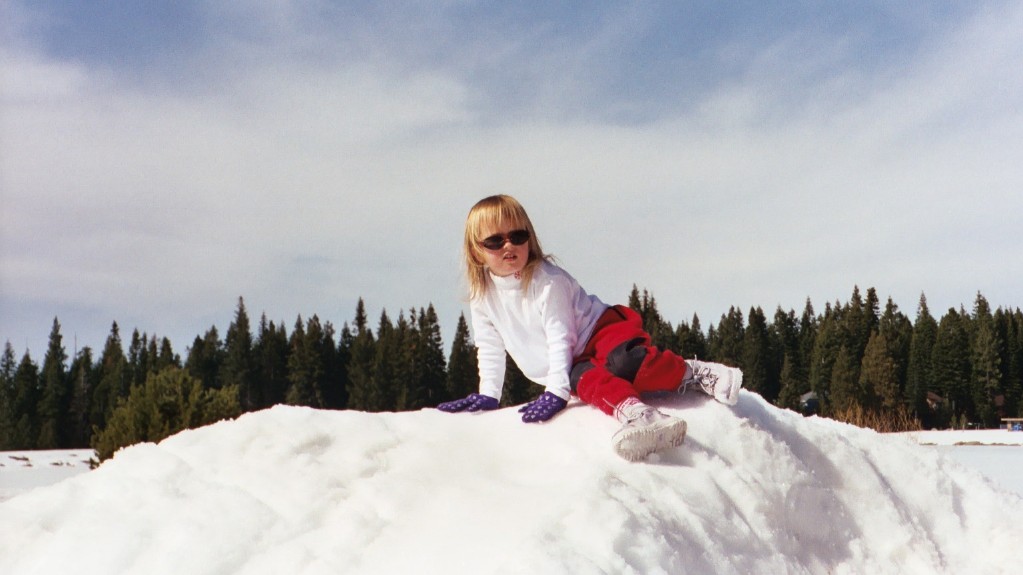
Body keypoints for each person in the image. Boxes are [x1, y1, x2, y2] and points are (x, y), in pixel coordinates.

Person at [437, 195, 742, 461]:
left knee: (626, 362)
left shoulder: (548, 281)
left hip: (599, 331)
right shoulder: (483, 295)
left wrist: (556, 392)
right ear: (476, 251)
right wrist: (488, 394)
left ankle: (691, 372)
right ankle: (641, 416)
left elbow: (561, 336)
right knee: (584, 381)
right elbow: (489, 346)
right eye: (495, 241)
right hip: (575, 359)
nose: (509, 246)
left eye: (518, 236)